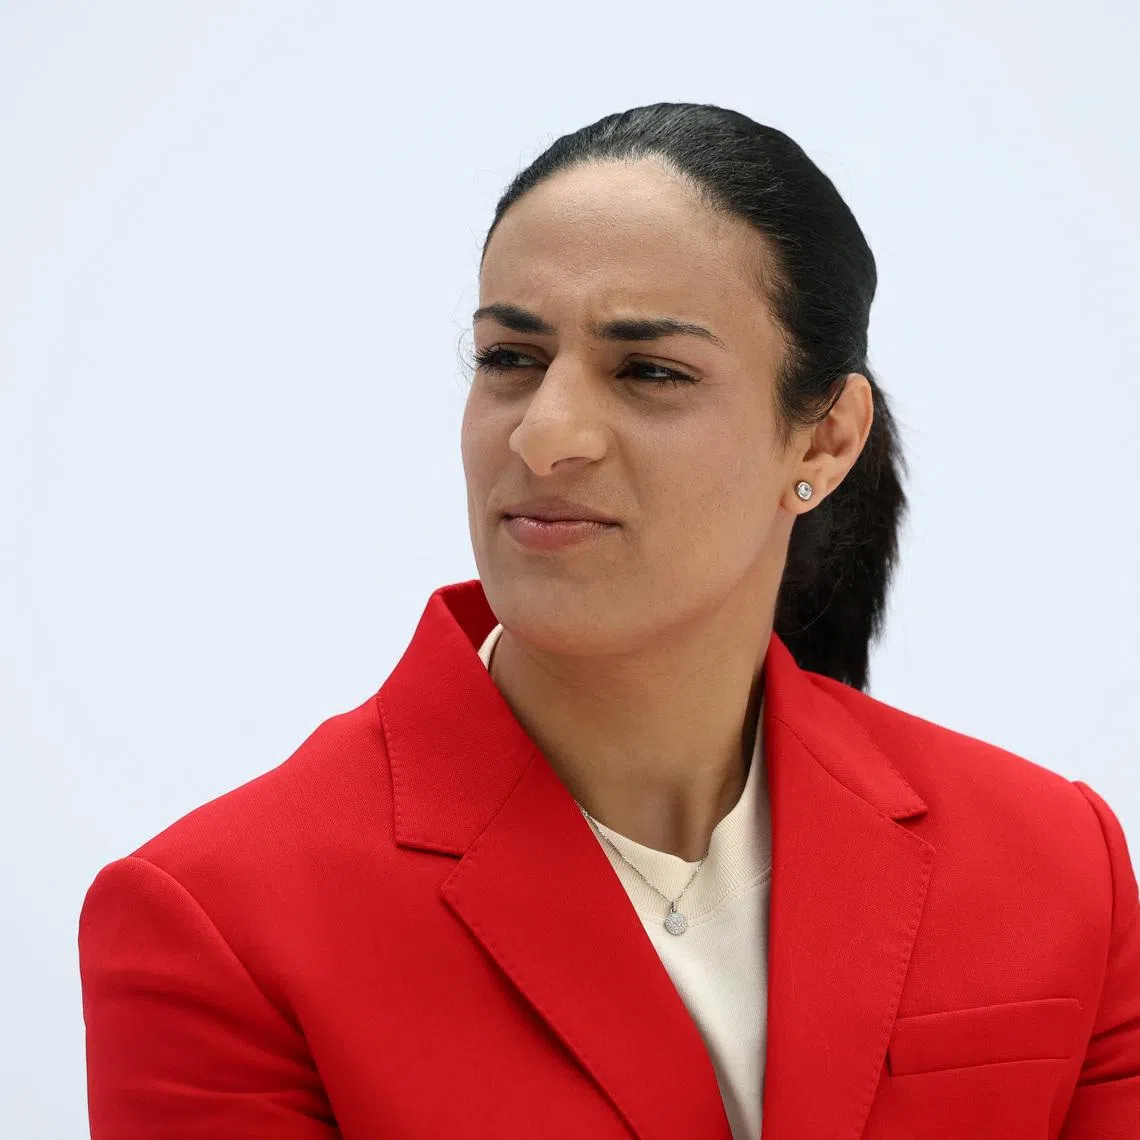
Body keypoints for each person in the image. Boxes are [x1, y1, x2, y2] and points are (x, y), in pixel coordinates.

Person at [78, 103, 1139, 1139]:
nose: (544, 436)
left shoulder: (1055, 865)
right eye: (510, 357)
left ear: (823, 441)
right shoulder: (223, 925)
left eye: (650, 372)